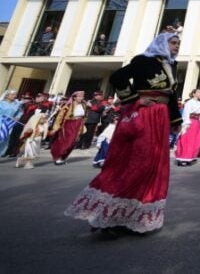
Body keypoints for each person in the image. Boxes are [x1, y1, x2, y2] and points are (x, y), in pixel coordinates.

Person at [65, 32, 182, 235]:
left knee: (155, 165)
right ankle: (109, 217)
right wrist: (135, 100)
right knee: (139, 163)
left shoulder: (172, 64)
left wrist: (175, 120)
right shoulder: (143, 60)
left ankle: (133, 216)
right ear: (162, 43)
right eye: (173, 42)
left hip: (161, 117)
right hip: (144, 114)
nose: (176, 46)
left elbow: (172, 96)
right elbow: (117, 77)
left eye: (178, 43)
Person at [49, 91, 87, 165]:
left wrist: (82, 123)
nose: (81, 98)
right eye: (79, 97)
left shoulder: (83, 105)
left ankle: (63, 157)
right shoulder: (69, 105)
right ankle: (58, 156)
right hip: (69, 124)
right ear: (74, 98)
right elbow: (60, 116)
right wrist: (56, 127)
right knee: (67, 141)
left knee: (73, 142)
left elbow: (85, 116)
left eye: (82, 97)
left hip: (79, 124)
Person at [175, 88, 200, 166]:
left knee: (195, 140)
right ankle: (183, 158)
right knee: (187, 139)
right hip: (190, 122)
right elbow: (186, 113)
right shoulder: (189, 102)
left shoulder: (199, 103)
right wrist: (186, 124)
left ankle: (190, 157)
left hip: (197, 123)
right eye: (198, 92)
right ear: (194, 94)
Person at [0, 90, 23, 157]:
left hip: (10, 124)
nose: (15, 96)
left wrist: (17, 117)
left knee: (5, 140)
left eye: (15, 95)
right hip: (1, 122)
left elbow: (20, 112)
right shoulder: (1, 103)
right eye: (12, 95)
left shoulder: (16, 104)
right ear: (7, 95)